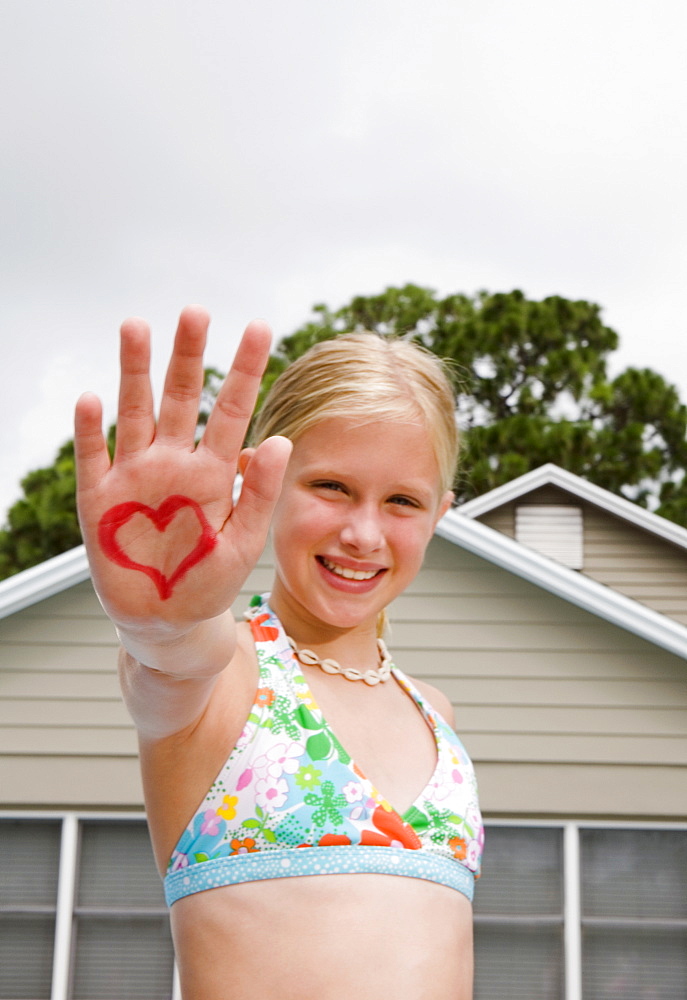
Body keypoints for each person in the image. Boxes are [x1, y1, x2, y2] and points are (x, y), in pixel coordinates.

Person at [75, 305, 483, 1000]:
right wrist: (163, 619)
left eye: (402, 502)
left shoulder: (432, 712)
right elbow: (171, 658)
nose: (362, 532)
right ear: (257, 484)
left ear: (439, 515)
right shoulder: (228, 677)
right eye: (331, 487)